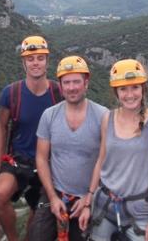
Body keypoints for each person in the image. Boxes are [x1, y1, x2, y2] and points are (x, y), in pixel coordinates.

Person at [81, 59, 148, 241]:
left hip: (139, 208)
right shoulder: (108, 118)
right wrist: (88, 198)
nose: (130, 95)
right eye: (123, 89)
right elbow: (102, 159)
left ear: (143, 89)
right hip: (104, 203)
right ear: (116, 92)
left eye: (135, 88)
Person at [0, 36, 63, 241]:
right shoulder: (12, 93)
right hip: (19, 159)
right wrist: (0, 162)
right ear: (23, 62)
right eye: (30, 58)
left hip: (49, 162)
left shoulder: (58, 92)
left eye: (40, 58)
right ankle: (14, 238)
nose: (35, 63)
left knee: (38, 209)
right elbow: (2, 127)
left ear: (47, 62)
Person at [33, 56, 106, 241]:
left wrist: (89, 199)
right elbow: (41, 158)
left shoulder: (103, 116)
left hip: (88, 196)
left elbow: (104, 160)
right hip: (55, 191)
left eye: (76, 82)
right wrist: (52, 197)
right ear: (60, 85)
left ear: (86, 83)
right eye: (67, 82)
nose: (72, 87)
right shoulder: (49, 116)